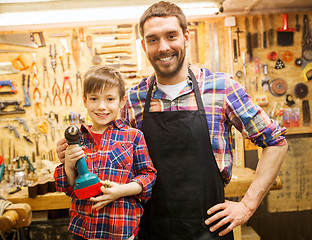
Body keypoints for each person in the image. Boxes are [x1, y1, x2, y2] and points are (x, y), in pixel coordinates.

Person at [57, 1, 288, 239]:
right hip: (149, 229)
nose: (163, 47)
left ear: (186, 37)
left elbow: (276, 142)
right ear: (144, 45)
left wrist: (247, 206)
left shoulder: (222, 89)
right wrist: (73, 151)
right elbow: (108, 152)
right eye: (153, 39)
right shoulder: (133, 99)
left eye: (171, 36)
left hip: (209, 228)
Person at [54, 66, 156, 240]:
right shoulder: (77, 139)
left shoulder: (133, 136)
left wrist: (121, 191)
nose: (101, 107)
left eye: (109, 99)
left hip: (120, 229)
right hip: (84, 230)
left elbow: (148, 176)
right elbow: (70, 188)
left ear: (122, 101)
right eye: (94, 99)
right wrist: (69, 168)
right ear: (85, 101)